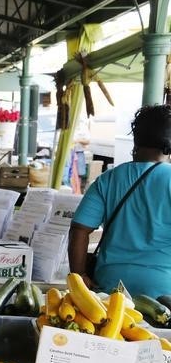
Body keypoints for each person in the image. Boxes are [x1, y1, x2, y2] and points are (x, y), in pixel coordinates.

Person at [69, 105, 171, 297]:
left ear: (136, 140)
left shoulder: (107, 180)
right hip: (165, 291)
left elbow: (79, 231)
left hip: (112, 289)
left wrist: (80, 274)